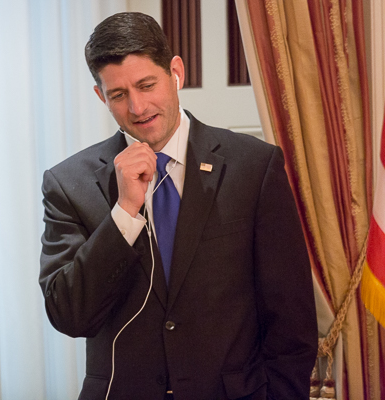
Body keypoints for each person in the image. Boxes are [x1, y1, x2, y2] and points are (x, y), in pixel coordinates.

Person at [39, 12, 317, 400]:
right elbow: (69, 315)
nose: (137, 107)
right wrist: (123, 213)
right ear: (101, 96)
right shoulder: (68, 183)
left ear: (175, 72)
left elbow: (291, 322)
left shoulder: (254, 167)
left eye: (147, 85)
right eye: (118, 95)